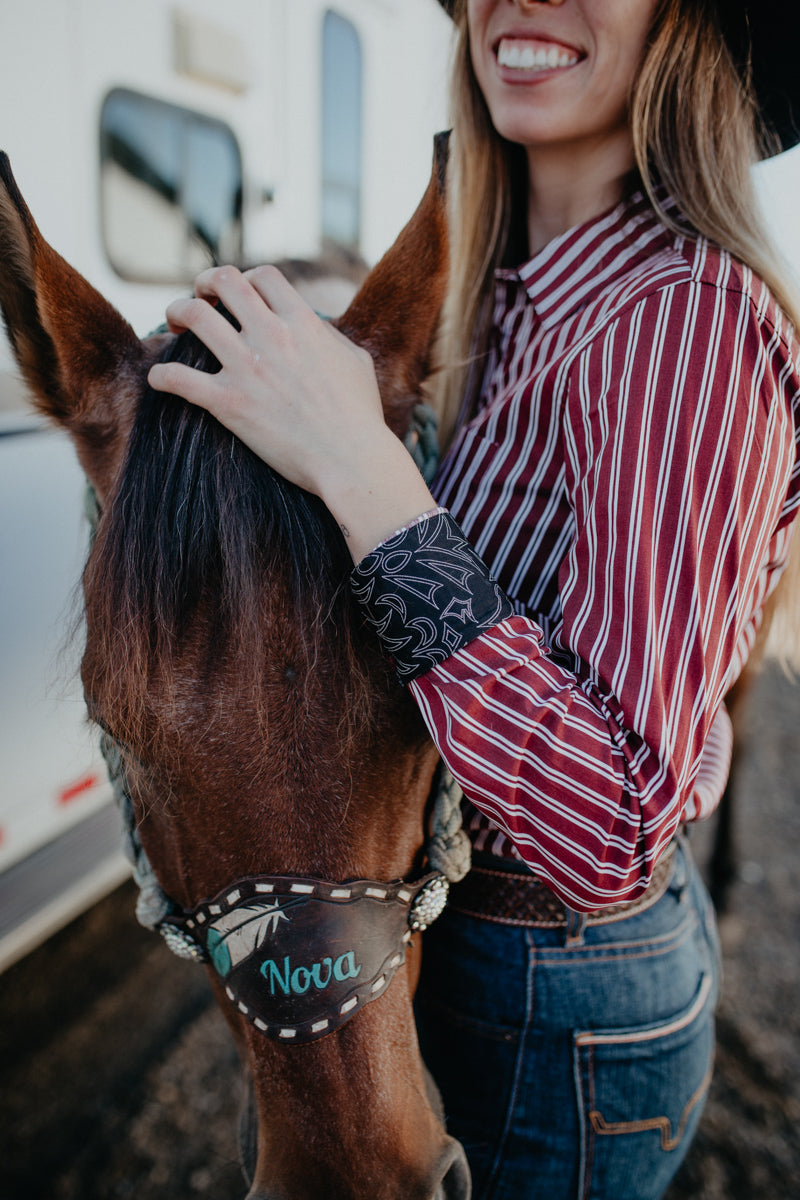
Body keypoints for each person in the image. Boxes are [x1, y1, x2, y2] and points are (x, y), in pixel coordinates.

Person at [148, 1, 800, 1196]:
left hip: (556, 988)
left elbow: (610, 829)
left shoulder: (680, 317)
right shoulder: (504, 304)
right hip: (449, 944)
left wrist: (365, 471)